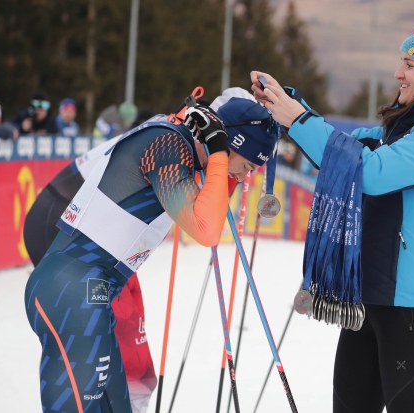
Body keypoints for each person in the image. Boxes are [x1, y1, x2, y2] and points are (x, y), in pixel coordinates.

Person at [252, 22, 414, 413]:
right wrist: (287, 106)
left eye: (409, 65)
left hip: (412, 307)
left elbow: (373, 173)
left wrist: (298, 119)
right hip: (369, 295)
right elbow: (341, 152)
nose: (398, 73)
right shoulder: (402, 130)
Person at [23, 94, 277, 412]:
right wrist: (220, 157)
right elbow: (206, 230)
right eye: (247, 165)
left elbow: (209, 215)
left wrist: (222, 151)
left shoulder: (180, 142)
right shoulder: (168, 144)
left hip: (91, 292)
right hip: (71, 291)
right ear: (228, 144)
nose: (243, 177)